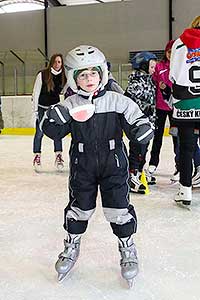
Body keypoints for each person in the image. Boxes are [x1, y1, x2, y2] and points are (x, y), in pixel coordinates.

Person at [39, 45, 154, 287]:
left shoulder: (117, 100)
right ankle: (71, 245)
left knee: (119, 209)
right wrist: (53, 120)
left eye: (93, 73)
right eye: (82, 74)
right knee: (79, 208)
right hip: (83, 166)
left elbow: (137, 120)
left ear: (102, 73)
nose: (89, 79)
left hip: (114, 165)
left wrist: (142, 130)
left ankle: (127, 248)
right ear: (73, 78)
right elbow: (51, 129)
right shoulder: (70, 104)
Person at [169, 16, 200, 206]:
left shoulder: (180, 43)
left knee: (186, 148)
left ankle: (185, 190)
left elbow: (173, 73)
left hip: (185, 102)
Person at [146, 40, 180, 183]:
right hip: (160, 107)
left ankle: (179, 166)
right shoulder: (159, 67)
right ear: (166, 52)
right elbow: (153, 84)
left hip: (175, 108)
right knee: (158, 137)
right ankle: (153, 164)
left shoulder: (180, 66)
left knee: (176, 138)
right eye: (169, 52)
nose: (171, 54)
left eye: (173, 52)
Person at [124, 51, 157, 193]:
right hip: (138, 123)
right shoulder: (136, 82)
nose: (154, 69)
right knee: (137, 148)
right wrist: (145, 108)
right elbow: (129, 100)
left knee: (144, 149)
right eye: (152, 66)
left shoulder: (148, 80)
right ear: (143, 65)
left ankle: (139, 172)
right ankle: (132, 175)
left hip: (149, 122)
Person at [32, 54, 67, 171]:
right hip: (42, 108)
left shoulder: (63, 76)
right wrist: (35, 110)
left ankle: (58, 156)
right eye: (56, 61)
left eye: (60, 62)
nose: (58, 64)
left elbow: (67, 91)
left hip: (54, 109)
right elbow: (35, 92)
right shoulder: (42, 74)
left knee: (58, 133)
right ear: (52, 62)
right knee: (39, 132)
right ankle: (37, 156)